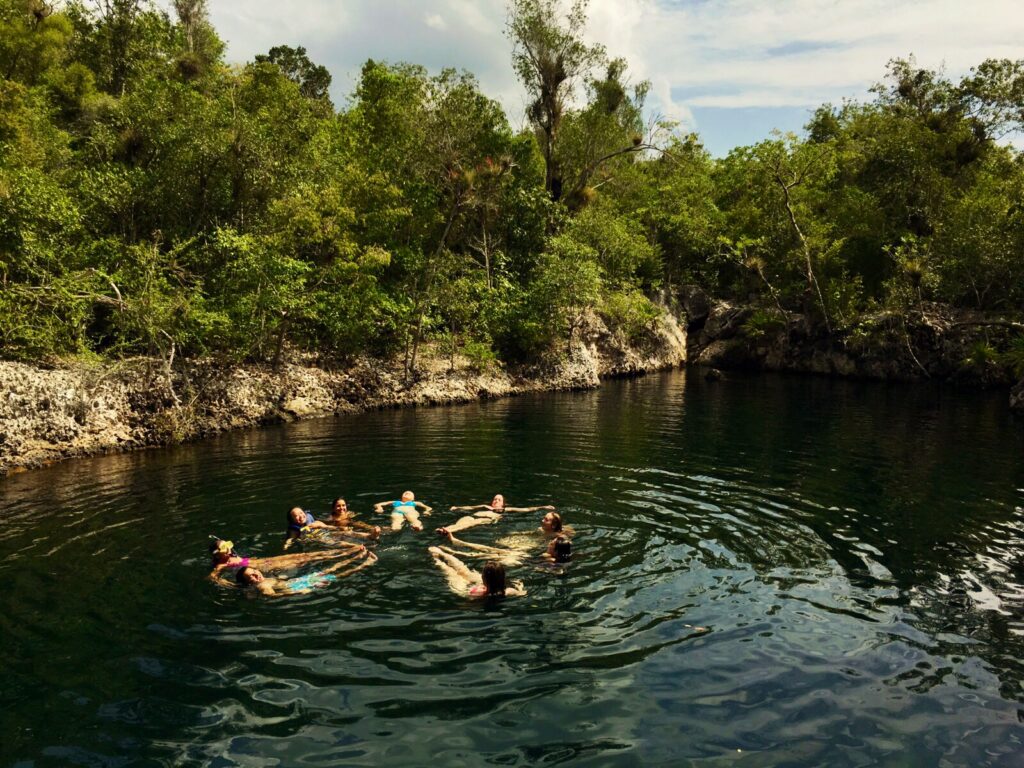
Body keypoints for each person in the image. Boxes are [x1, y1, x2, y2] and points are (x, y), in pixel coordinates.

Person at [232, 548, 378, 596]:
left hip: (296, 582)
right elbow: (274, 597)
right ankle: (365, 563)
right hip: (298, 586)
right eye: (251, 576)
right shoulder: (262, 586)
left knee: (331, 569)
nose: (256, 574)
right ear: (248, 581)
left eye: (255, 572)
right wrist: (298, 592)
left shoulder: (263, 581)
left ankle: (357, 557)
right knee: (336, 574)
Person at [428, 547, 525, 599]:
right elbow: (522, 593)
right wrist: (520, 586)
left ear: (483, 578)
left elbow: (469, 600)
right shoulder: (508, 591)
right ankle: (437, 559)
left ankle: (440, 555)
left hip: (468, 590)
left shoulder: (478, 594)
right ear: (503, 576)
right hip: (476, 589)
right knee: (452, 573)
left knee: (460, 572)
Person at [437, 494, 556, 535]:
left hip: (486, 519)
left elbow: (526, 509)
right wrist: (457, 507)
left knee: (469, 524)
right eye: (494, 499)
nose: (496, 501)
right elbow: (470, 507)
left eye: (499, 500)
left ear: (503, 504)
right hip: (474, 516)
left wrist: (543, 507)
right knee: (462, 521)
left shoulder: (505, 510)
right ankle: (446, 529)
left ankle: (449, 531)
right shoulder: (485, 506)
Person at [436, 529, 526, 567]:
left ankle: (453, 552)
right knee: (488, 549)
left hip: (523, 560)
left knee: (487, 555)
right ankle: (454, 540)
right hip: (524, 556)